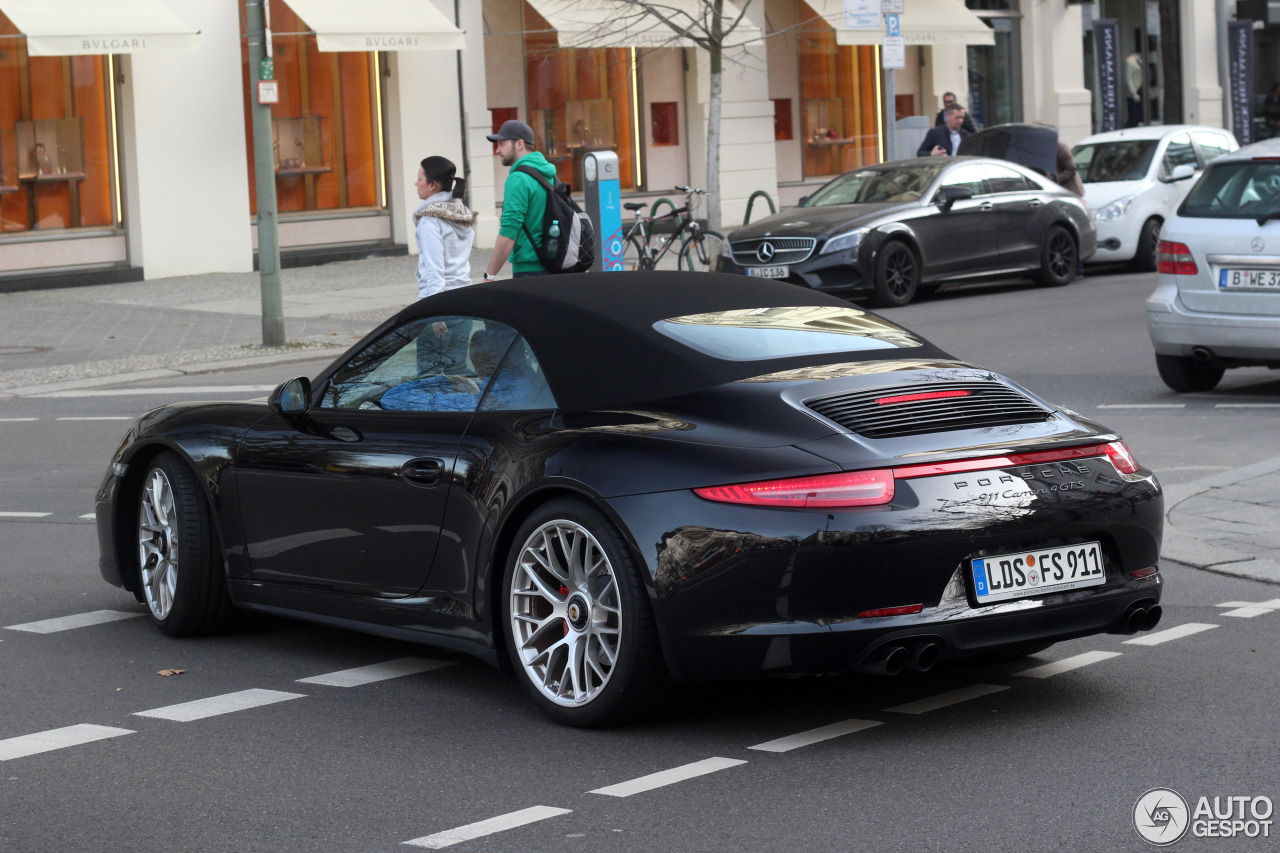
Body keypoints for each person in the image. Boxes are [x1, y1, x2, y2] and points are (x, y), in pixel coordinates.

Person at [481, 119, 559, 280]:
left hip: (529, 270)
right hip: (554, 265)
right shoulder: (549, 174)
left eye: (502, 144)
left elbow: (509, 231)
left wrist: (489, 275)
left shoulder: (518, 179)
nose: (497, 150)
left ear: (520, 144)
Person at [414, 155, 476, 300]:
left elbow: (434, 270)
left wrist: (434, 309)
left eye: (420, 179)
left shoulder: (430, 220)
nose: (415, 183)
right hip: (464, 297)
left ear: (432, 185)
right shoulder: (462, 214)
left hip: (441, 301)